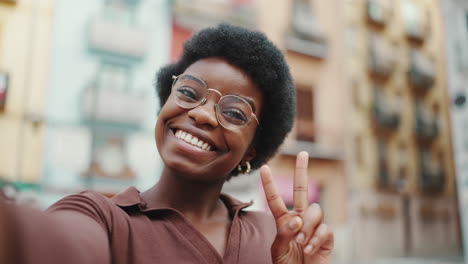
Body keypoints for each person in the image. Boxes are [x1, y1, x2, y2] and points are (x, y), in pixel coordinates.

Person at [2, 23, 333, 264]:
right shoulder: (103, 219)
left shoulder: (275, 236)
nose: (202, 114)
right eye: (189, 93)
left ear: (251, 150)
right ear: (165, 104)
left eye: (233, 113)